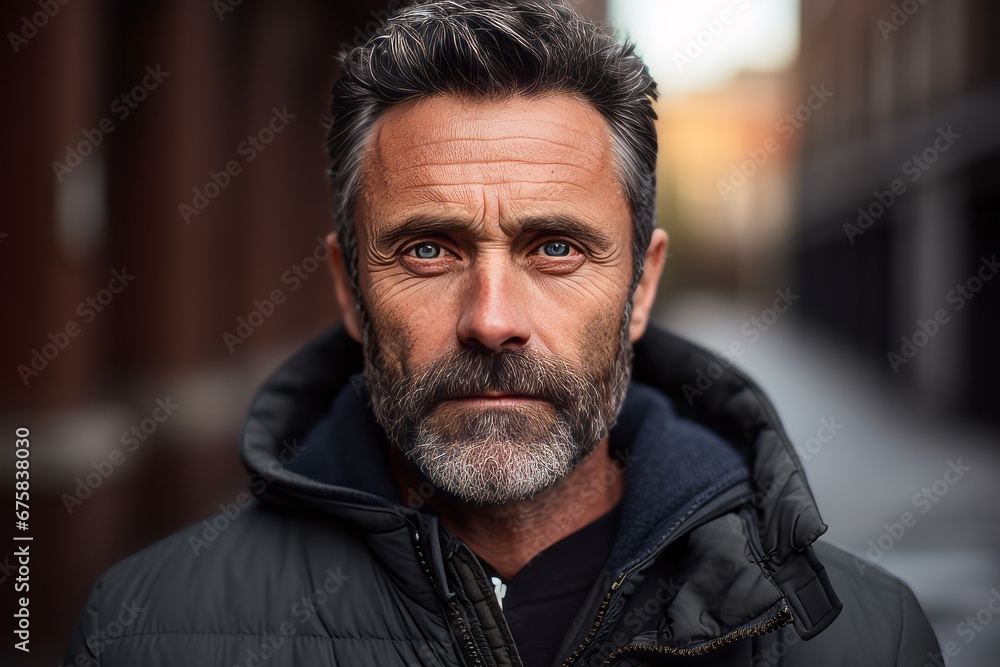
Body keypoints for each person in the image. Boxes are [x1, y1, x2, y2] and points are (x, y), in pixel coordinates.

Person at [65, 1, 941, 665]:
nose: (492, 319)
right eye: (427, 249)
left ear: (642, 286)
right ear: (347, 287)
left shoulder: (859, 636)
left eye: (555, 247)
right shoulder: (147, 630)